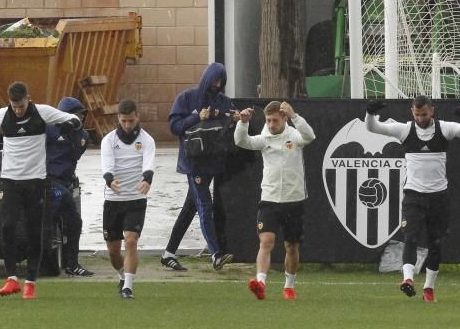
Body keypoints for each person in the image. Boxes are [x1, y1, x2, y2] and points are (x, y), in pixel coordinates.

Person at [0, 81, 81, 299]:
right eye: (14, 106)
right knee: (7, 226)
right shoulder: (3, 115)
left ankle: (30, 282)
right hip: (10, 181)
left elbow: (74, 120)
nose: (18, 110)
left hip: (35, 181)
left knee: (35, 232)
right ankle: (12, 279)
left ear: (28, 98)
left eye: (21, 106)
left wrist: (69, 125)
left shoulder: (42, 112)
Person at [365, 96, 460, 302]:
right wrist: (370, 112)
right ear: (412, 112)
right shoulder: (404, 130)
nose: (420, 119)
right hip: (413, 194)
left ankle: (429, 288)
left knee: (435, 244)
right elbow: (372, 128)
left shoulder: (444, 128)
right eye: (417, 114)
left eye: (424, 114)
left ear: (432, 111)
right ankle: (408, 280)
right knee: (410, 237)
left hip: (438, 197)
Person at [235, 101, 315, 301]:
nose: (271, 125)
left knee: (291, 247)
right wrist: (243, 123)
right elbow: (241, 142)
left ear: (284, 118)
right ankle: (260, 282)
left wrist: (295, 116)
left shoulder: (294, 135)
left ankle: (289, 285)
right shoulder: (264, 138)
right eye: (268, 120)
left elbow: (310, 136)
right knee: (266, 241)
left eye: (275, 120)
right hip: (269, 199)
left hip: (294, 200)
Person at [165, 62, 235, 271]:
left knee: (191, 208)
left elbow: (232, 120)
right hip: (193, 164)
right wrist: (197, 117)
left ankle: (168, 253)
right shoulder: (187, 98)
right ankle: (216, 254)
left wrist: (240, 118)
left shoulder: (224, 102)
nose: (216, 85)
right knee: (205, 205)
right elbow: (174, 127)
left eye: (220, 81)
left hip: (214, 163)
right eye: (214, 80)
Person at [101, 99, 156, 299]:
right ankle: (122, 275)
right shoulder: (108, 140)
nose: (127, 125)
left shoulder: (147, 140)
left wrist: (147, 179)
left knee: (131, 241)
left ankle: (128, 287)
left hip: (135, 199)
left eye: (131, 121)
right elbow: (107, 165)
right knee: (113, 251)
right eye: (123, 121)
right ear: (118, 118)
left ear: (137, 117)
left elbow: (148, 163)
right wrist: (110, 181)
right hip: (113, 200)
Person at [45, 97, 93, 277]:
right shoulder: (49, 129)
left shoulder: (83, 136)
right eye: (76, 115)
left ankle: (71, 263)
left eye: (81, 115)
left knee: (74, 221)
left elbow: (74, 154)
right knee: (58, 205)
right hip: (48, 179)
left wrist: (72, 132)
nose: (79, 119)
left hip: (65, 180)